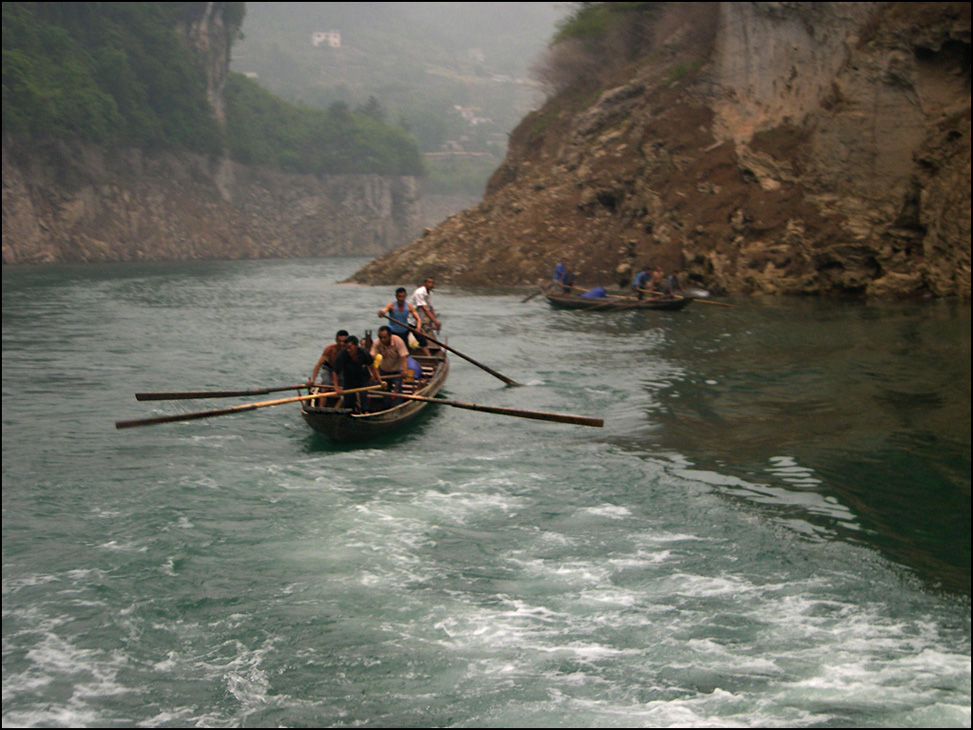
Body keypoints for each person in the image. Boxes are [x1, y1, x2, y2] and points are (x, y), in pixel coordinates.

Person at [332, 335, 379, 413]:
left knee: (363, 395)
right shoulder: (342, 355)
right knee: (348, 400)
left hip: (363, 377)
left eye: (350, 347)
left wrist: (378, 380)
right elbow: (335, 372)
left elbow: (372, 367)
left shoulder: (364, 353)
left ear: (356, 346)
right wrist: (336, 388)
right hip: (349, 379)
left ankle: (365, 411)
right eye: (346, 348)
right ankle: (351, 412)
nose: (348, 350)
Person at [378, 287, 428, 356]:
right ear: (396, 297)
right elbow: (384, 311)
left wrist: (418, 328)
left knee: (405, 353)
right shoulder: (391, 305)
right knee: (390, 351)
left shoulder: (409, 306)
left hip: (403, 332)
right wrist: (381, 313)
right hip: (392, 332)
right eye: (399, 297)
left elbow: (418, 319)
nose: (401, 299)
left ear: (405, 297)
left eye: (403, 297)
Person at [370, 325, 410, 408]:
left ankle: (398, 407)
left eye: (385, 337)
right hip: (384, 371)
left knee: (397, 391)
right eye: (380, 337)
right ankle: (387, 407)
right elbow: (371, 359)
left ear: (390, 336)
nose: (382, 340)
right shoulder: (377, 343)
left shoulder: (398, 341)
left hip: (397, 371)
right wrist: (372, 373)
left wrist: (405, 371)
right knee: (385, 391)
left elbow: (404, 358)